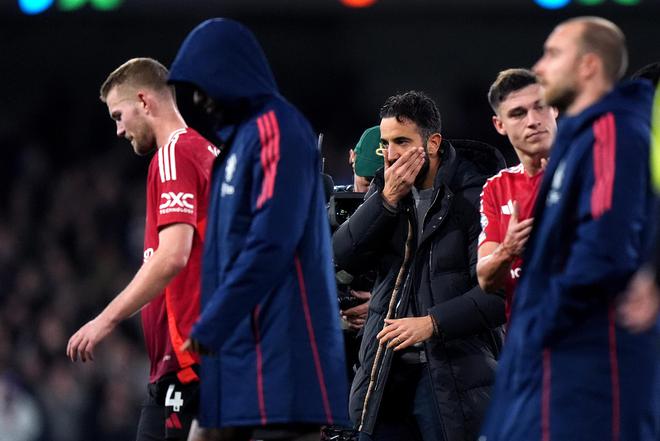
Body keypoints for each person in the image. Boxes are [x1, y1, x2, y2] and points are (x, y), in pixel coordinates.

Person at [166, 18, 349, 441]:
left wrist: (214, 320)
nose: (198, 99)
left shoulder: (277, 130)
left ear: (229, 72)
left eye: (203, 85)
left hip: (279, 351)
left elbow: (271, 242)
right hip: (242, 348)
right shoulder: (238, 144)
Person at [480, 17, 658, 441]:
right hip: (552, 359)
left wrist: (539, 323)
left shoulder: (612, 131)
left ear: (588, 65)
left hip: (585, 360)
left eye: (553, 54)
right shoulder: (583, 140)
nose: (540, 66)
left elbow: (603, 249)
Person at [333, 90, 506, 441]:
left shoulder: (475, 196)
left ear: (433, 143)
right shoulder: (386, 190)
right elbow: (341, 257)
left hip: (453, 375)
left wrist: (431, 323)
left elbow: (498, 296)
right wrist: (386, 200)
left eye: (402, 141)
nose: (391, 155)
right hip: (384, 373)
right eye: (385, 144)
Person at [66, 58, 218, 441]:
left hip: (190, 363)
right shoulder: (207, 154)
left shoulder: (174, 155)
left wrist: (105, 320)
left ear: (144, 101)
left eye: (119, 116)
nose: (119, 130)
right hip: (197, 362)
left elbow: (172, 256)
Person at [477, 68, 558, 321]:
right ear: (500, 125)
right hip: (525, 335)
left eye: (540, 107)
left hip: (585, 333)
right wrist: (508, 249)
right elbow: (485, 279)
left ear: (555, 108)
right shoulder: (497, 187)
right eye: (518, 113)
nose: (533, 121)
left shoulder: (588, 170)